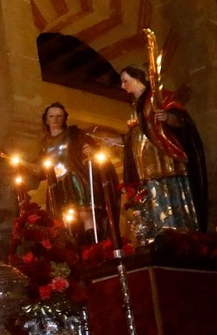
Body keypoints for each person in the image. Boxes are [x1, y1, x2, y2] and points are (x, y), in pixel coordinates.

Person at [120, 65, 206, 233]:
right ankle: (157, 232)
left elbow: (180, 118)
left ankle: (178, 230)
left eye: (125, 81)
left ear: (137, 79)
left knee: (168, 191)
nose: (122, 86)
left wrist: (168, 117)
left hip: (163, 156)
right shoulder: (135, 106)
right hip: (144, 163)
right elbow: (135, 133)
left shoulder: (158, 96)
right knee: (151, 196)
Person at [39, 100, 122, 242]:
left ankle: (93, 242)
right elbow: (41, 165)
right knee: (65, 219)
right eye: (52, 116)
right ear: (46, 119)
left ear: (64, 118)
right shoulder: (44, 142)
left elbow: (91, 146)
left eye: (59, 116)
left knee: (85, 213)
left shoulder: (74, 134)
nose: (55, 119)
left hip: (76, 178)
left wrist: (91, 150)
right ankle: (74, 244)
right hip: (57, 184)